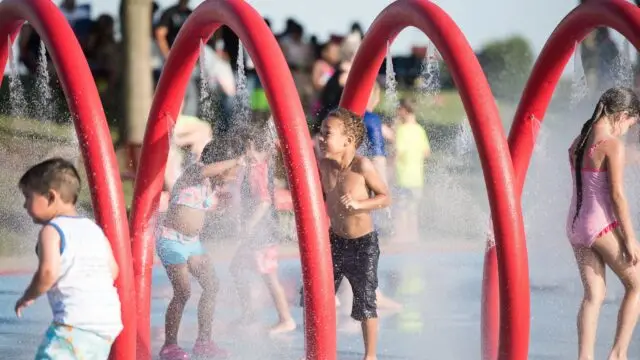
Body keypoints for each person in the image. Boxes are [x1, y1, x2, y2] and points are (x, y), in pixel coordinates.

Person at [14, 158, 122, 359]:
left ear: (51, 196)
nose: (24, 205)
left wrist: (28, 296)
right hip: (106, 327)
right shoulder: (93, 229)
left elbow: (48, 273)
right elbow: (113, 270)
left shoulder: (52, 230)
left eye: (28, 197)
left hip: (73, 325)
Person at [566, 87, 640, 360]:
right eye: (631, 123)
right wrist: (630, 238)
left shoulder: (579, 141)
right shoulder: (611, 145)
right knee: (637, 284)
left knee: (594, 295)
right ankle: (618, 355)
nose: (629, 130)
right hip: (599, 225)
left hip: (576, 224)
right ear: (621, 116)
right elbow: (617, 196)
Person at [156, 139, 246, 360]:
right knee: (183, 291)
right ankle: (169, 346)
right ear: (221, 162)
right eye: (232, 170)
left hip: (192, 243)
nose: (234, 174)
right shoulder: (195, 172)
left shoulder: (210, 186)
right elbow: (206, 169)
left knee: (212, 285)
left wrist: (220, 211)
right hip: (171, 240)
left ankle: (203, 341)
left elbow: (195, 210)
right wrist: (235, 159)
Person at [317, 107, 391, 360]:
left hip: (363, 245)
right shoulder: (324, 164)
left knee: (365, 302)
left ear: (347, 141)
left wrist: (360, 204)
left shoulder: (362, 166)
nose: (321, 137)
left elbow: (385, 197)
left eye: (327, 133)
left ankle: (370, 356)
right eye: (321, 132)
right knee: (316, 294)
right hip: (334, 240)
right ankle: (320, 347)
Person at [229, 125, 296, 335]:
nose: (239, 154)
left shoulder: (257, 169)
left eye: (241, 148)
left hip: (262, 234)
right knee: (237, 268)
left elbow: (264, 201)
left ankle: (286, 319)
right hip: (257, 234)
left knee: (269, 276)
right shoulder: (253, 168)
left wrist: (249, 225)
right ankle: (249, 314)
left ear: (250, 147)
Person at [393, 98, 430, 243]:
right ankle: (414, 237)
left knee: (401, 208)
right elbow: (427, 152)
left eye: (399, 109)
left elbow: (398, 153)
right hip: (417, 177)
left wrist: (390, 167)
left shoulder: (401, 130)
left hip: (403, 175)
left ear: (404, 110)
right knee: (413, 210)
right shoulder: (420, 129)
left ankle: (401, 237)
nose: (397, 112)